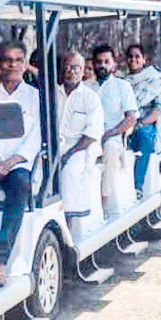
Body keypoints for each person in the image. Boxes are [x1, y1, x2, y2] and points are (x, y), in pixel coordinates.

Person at [0, 41, 42, 285]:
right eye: (8, 60)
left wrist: (7, 164)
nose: (13, 65)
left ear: (25, 64)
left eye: (19, 60)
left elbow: (35, 137)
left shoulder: (33, 96)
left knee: (21, 185)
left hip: (17, 165)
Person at [55, 51, 104, 229]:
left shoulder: (91, 98)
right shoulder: (52, 94)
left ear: (83, 71)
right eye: (66, 67)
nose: (70, 72)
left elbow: (92, 133)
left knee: (70, 172)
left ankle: (66, 226)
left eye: (75, 68)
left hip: (80, 148)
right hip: (55, 147)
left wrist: (69, 154)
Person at [92, 44, 138, 214]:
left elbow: (131, 118)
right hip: (88, 136)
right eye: (98, 62)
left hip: (113, 137)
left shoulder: (122, 86)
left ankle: (104, 201)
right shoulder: (87, 86)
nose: (102, 65)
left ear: (114, 64)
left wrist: (109, 134)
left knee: (110, 149)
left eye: (106, 61)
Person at [124, 44, 161, 193]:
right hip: (123, 122)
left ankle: (137, 187)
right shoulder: (122, 81)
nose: (133, 59)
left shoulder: (154, 80)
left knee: (144, 137)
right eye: (130, 56)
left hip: (144, 123)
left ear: (144, 59)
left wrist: (138, 124)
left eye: (137, 56)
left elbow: (157, 110)